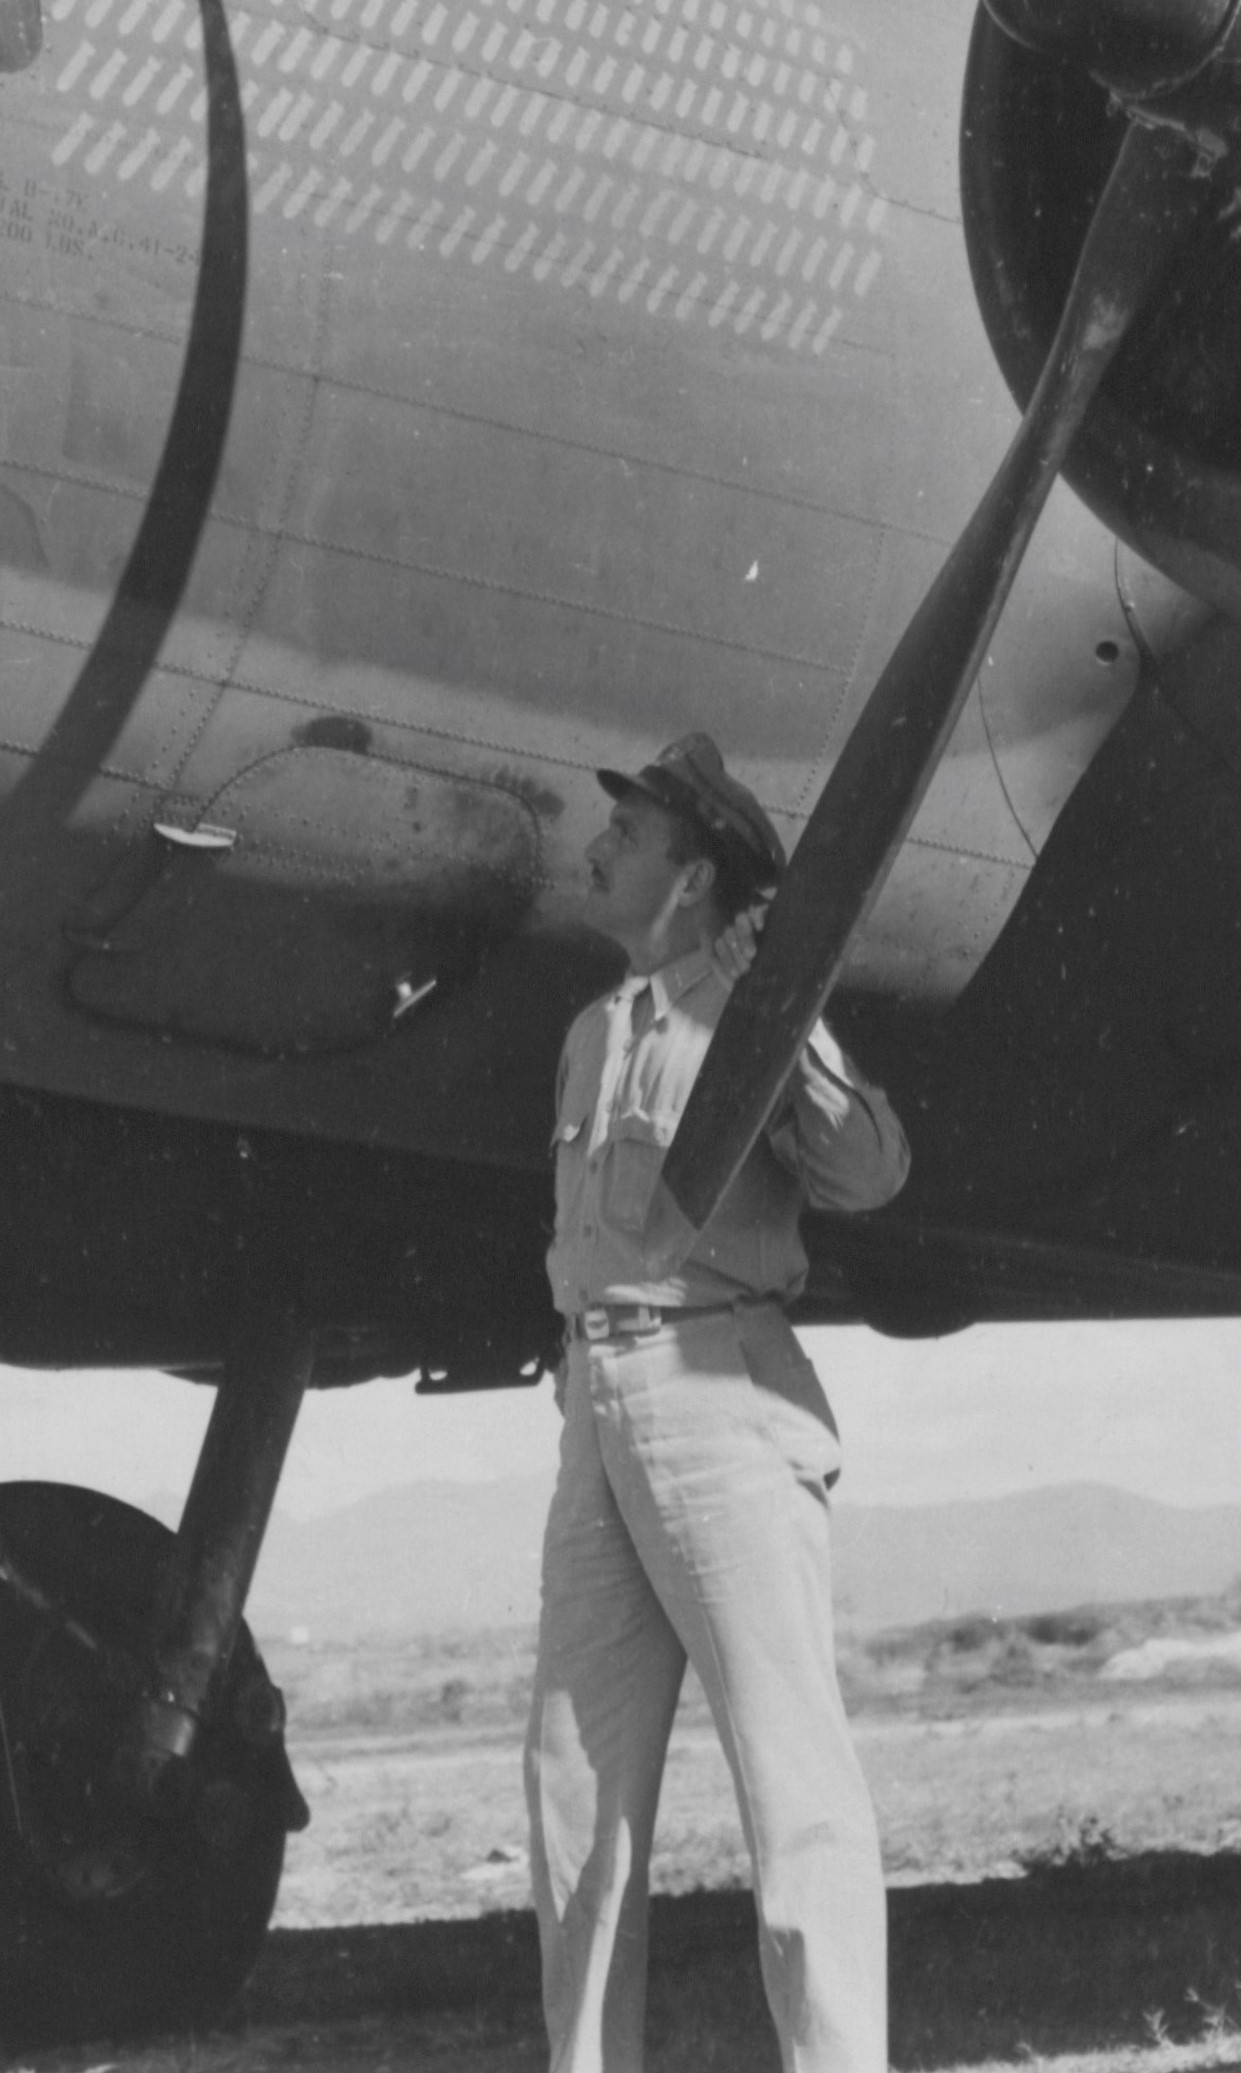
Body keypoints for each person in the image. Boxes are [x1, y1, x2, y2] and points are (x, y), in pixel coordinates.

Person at [530, 733, 906, 2073]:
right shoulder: (592, 1034)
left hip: (717, 1392)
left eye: (623, 834)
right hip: (599, 1403)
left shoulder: (753, 1006)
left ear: (689, 878)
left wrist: (785, 1010)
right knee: (574, 1785)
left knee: (791, 1777)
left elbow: (867, 1169)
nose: (595, 848)